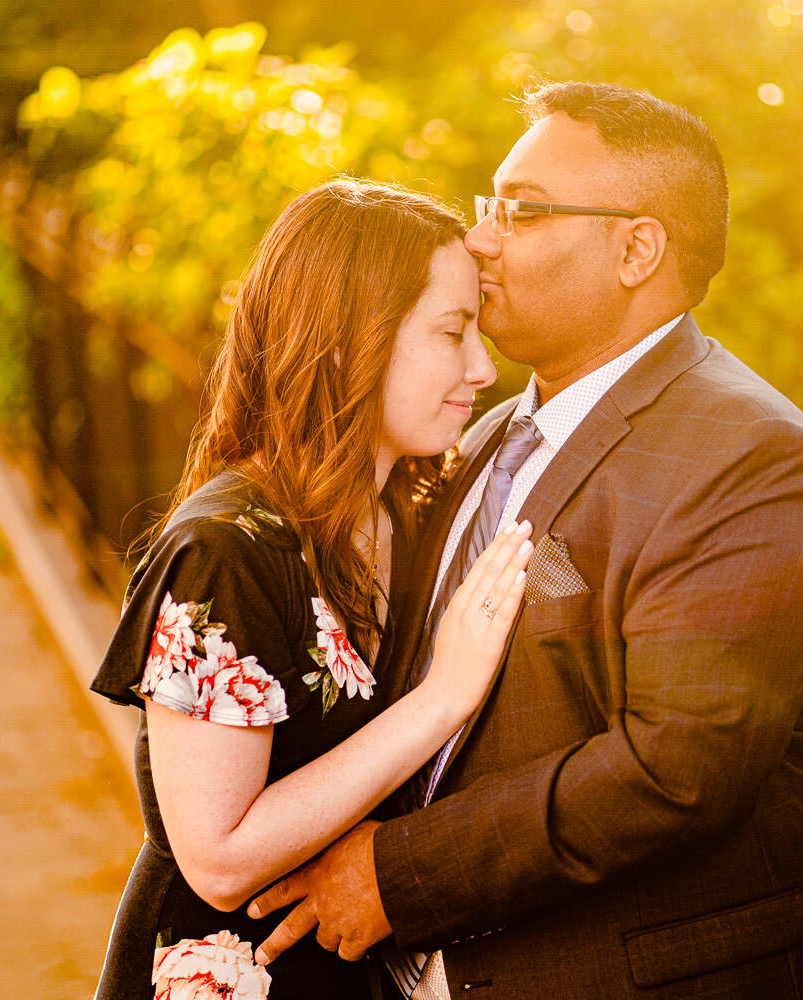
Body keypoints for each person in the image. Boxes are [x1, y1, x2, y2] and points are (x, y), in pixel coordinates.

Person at [248, 82, 803, 999]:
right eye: (489, 206)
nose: (482, 240)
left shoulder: (750, 461)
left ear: (636, 248)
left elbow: (674, 770)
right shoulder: (495, 433)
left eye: (525, 212)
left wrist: (399, 875)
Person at [88, 179, 535, 1000]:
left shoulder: (410, 507)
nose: (483, 366)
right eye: (451, 332)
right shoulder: (225, 552)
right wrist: (441, 699)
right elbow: (218, 859)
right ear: (345, 344)